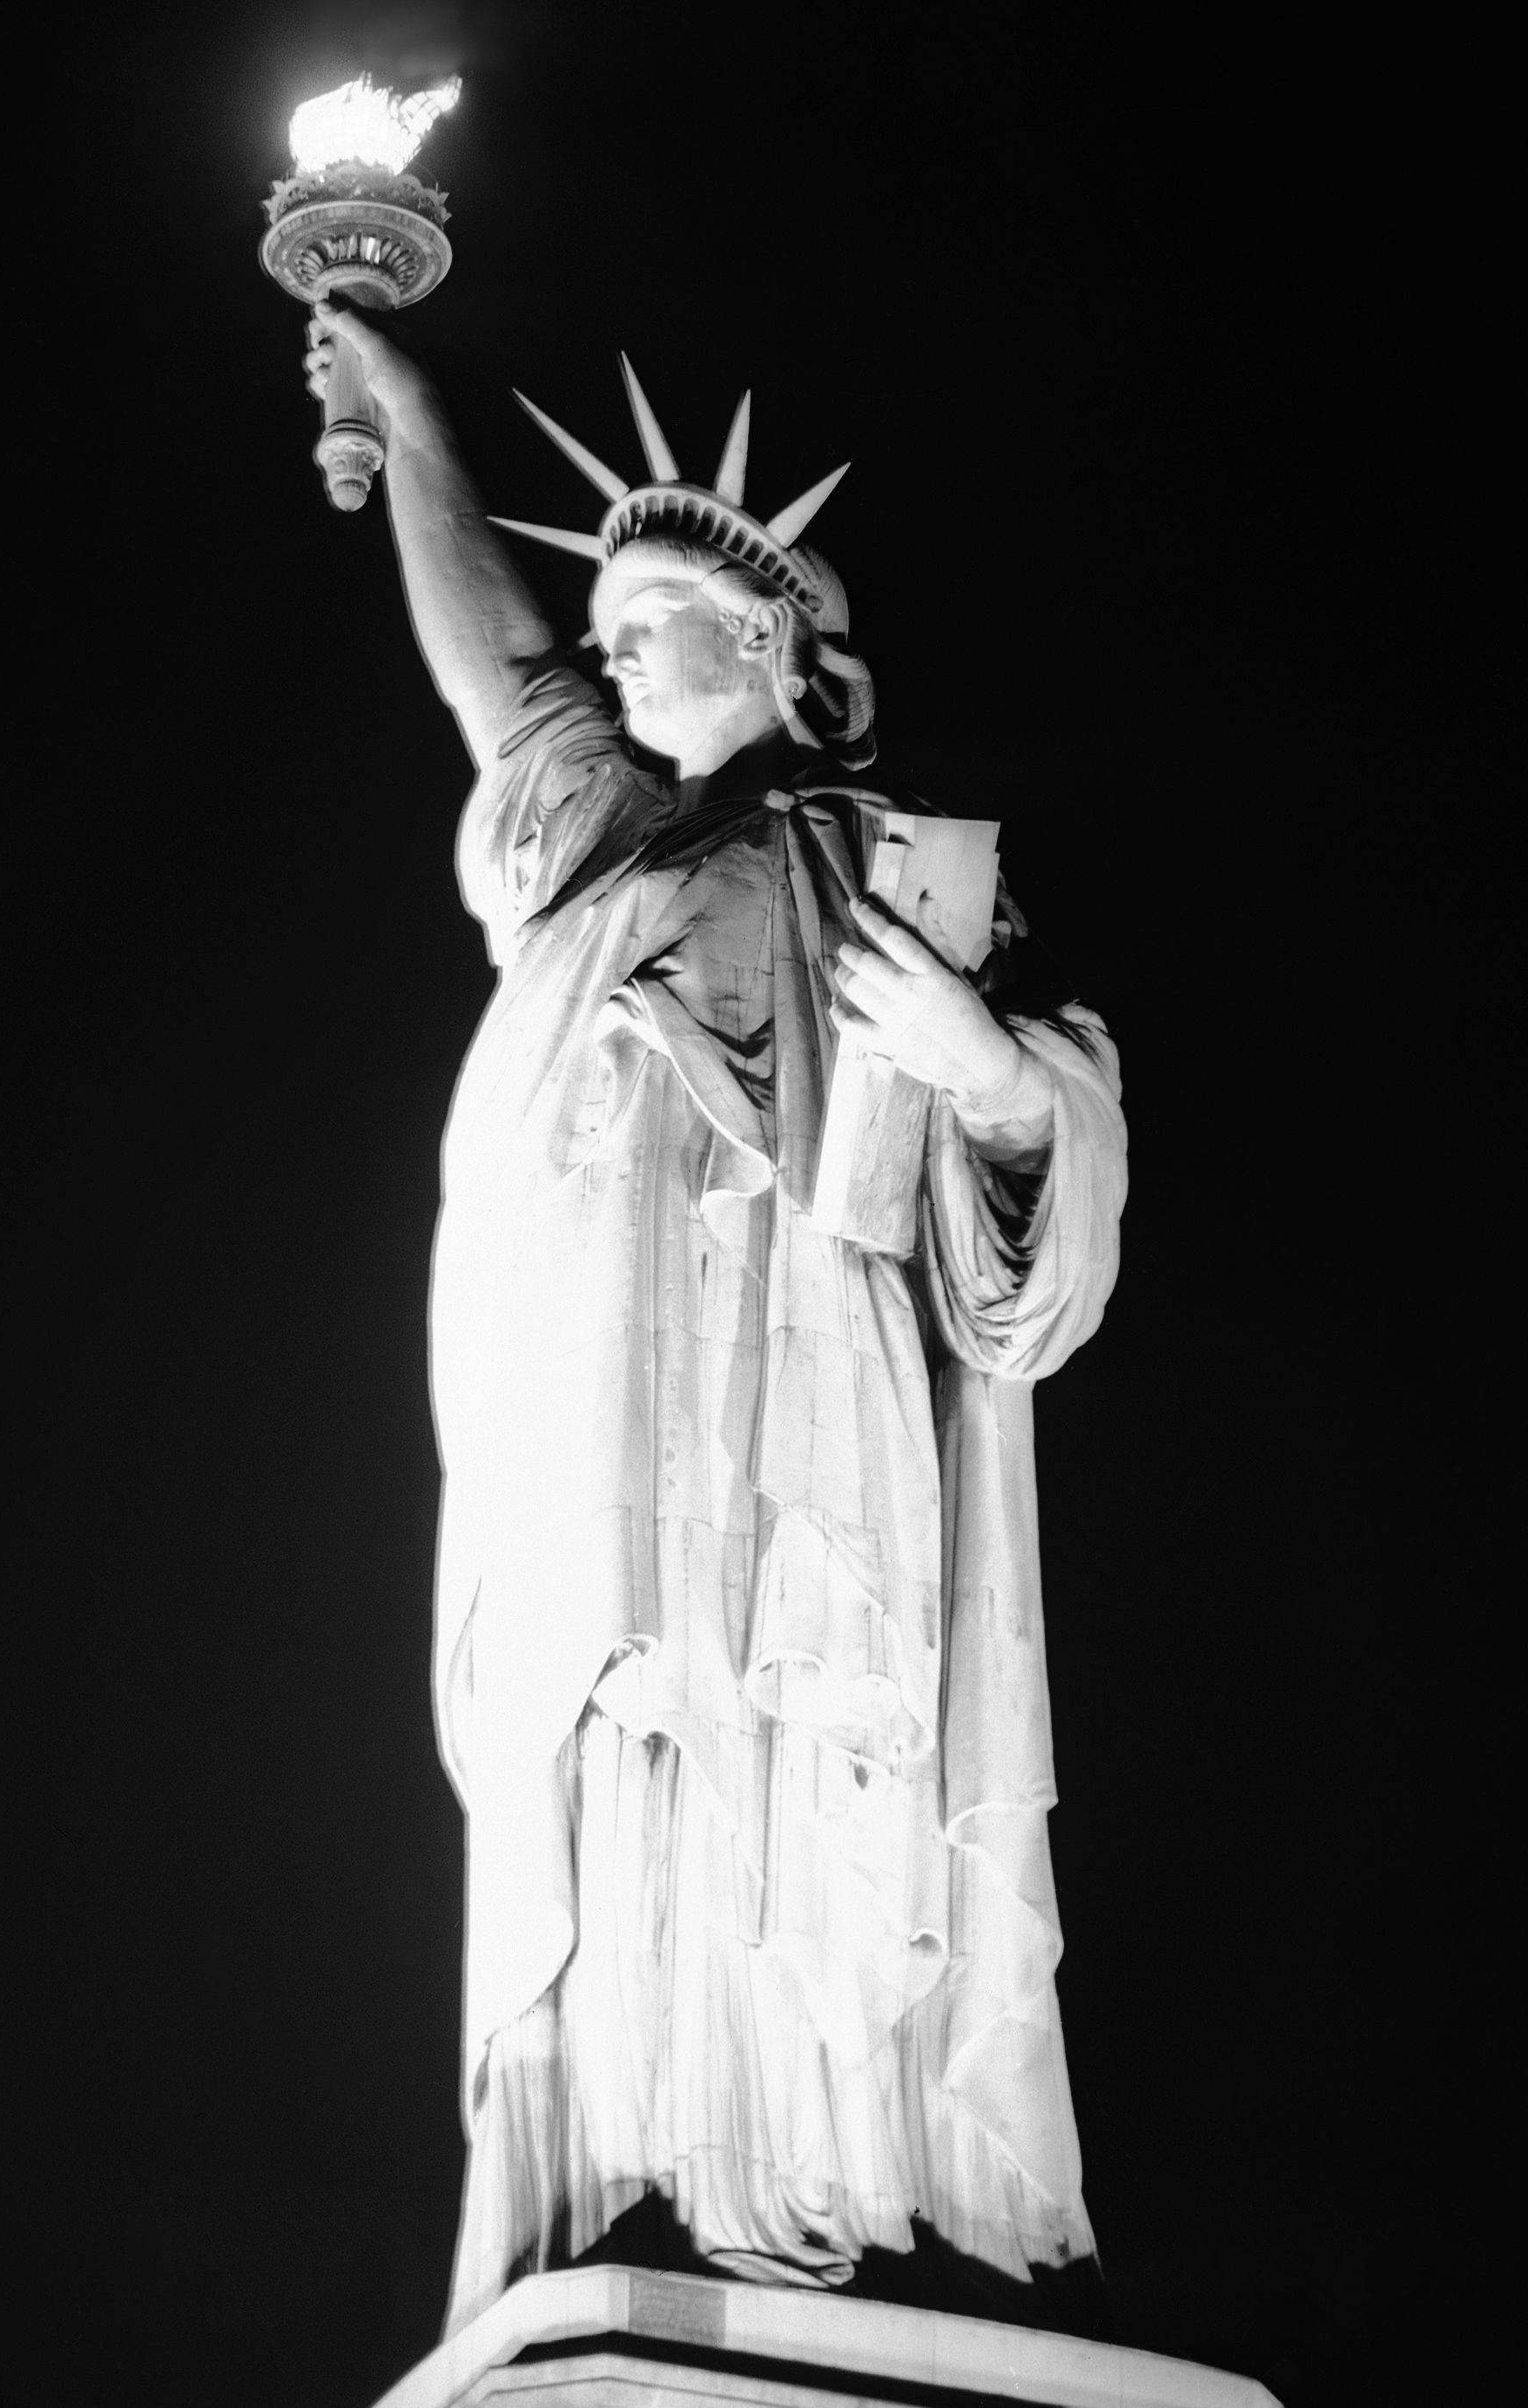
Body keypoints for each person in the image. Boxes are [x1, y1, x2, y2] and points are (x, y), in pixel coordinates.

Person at [304, 301, 1128, 2337]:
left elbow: (1039, 1183)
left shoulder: (893, 872)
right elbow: (496, 669)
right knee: (609, 1729)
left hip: (807, 1400)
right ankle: (634, 2163)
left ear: (766, 646)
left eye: (651, 616)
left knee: (798, 1727)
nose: (608, 647)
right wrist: (408, 415)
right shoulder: (592, 838)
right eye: (609, 620)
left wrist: (990, 1068)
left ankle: (809, 2183)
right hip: (586, 1393)